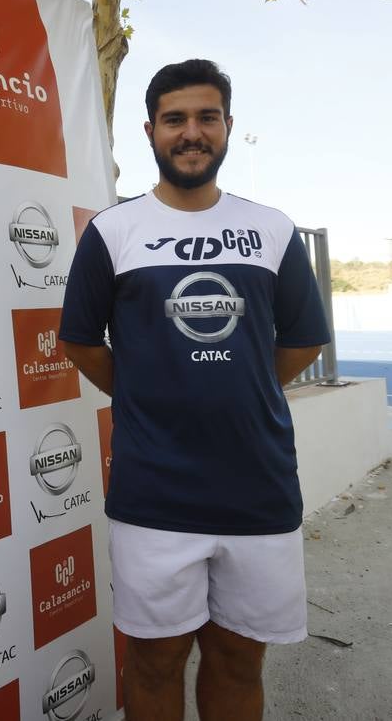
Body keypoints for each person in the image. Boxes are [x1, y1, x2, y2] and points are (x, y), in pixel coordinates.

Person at [60, 59, 330, 720]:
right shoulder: (113, 231)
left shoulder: (269, 229)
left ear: (228, 127)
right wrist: (143, 393)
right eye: (175, 119)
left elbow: (303, 339)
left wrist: (244, 387)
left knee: (240, 660)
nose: (191, 133)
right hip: (154, 493)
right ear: (150, 131)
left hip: (257, 488)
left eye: (206, 117)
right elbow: (79, 341)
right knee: (154, 664)